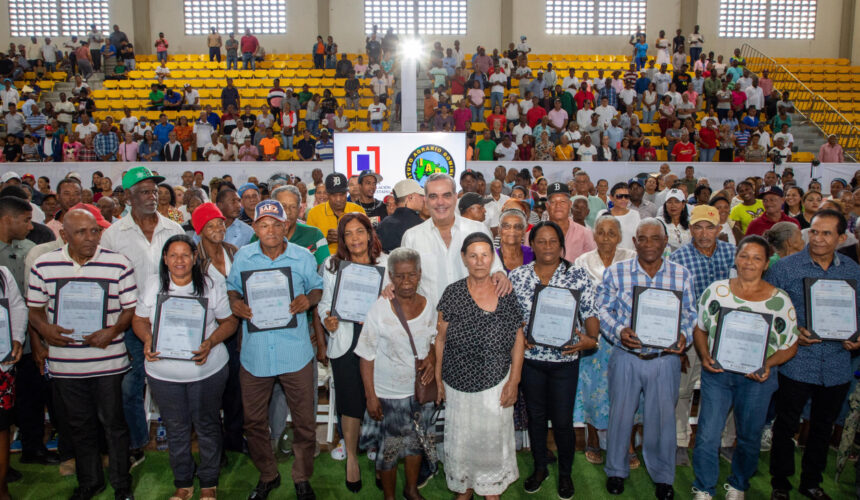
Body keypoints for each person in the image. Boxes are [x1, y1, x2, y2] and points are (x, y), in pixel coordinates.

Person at [28, 208, 137, 500]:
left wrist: (112, 332)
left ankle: (121, 484)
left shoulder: (118, 264)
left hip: (109, 361)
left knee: (114, 425)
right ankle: (90, 481)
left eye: (94, 231)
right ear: (64, 235)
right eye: (81, 233)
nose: (90, 238)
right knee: (79, 426)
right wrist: (45, 330)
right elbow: (35, 310)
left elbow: (130, 309)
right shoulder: (44, 264)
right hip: (66, 364)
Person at [226, 200, 323, 500]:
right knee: (254, 421)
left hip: (294, 350)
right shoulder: (243, 256)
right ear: (255, 227)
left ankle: (302, 476)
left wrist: (309, 300)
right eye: (263, 224)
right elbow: (232, 288)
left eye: (276, 224)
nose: (270, 230)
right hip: (256, 354)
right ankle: (268, 474)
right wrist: (234, 302)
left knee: (305, 421)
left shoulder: (301, 257)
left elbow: (317, 288)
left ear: (286, 227)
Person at [691, 235, 799, 499]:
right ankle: (704, 487)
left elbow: (791, 344)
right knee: (707, 435)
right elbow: (700, 329)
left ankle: (738, 483)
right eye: (744, 256)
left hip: (757, 379)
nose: (749, 262)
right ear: (736, 258)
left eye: (756, 258)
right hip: (717, 374)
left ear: (765, 264)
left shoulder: (780, 301)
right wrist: (704, 355)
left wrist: (768, 364)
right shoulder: (717, 291)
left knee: (749, 437)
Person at [133, 235, 238, 500]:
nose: (179, 260)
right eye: (173, 255)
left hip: (207, 370)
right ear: (165, 259)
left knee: (207, 425)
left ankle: (208, 483)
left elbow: (229, 322)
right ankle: (182, 482)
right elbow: (139, 320)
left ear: (194, 258)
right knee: (176, 428)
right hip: (163, 373)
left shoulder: (211, 283)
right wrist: (148, 339)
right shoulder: (154, 283)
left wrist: (210, 342)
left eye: (185, 255)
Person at [598, 218, 697, 499]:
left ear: (665, 242)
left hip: (665, 359)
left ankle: (663, 475)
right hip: (626, 355)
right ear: (635, 242)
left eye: (655, 238)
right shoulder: (617, 273)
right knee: (620, 416)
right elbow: (603, 309)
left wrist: (683, 336)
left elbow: (691, 313)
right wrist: (619, 330)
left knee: (662, 419)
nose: (649, 244)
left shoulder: (681, 275)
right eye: (643, 238)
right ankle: (616, 471)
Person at [765, 209, 860, 499]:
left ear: (842, 237)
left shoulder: (853, 271)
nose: (817, 239)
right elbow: (769, 313)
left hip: (837, 363)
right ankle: (780, 484)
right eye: (814, 231)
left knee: (822, 427)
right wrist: (793, 333)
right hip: (797, 361)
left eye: (826, 233)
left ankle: (811, 483)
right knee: (786, 425)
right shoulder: (784, 268)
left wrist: (857, 337)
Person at [100, 166, 185, 468]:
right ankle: (137, 443)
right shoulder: (112, 235)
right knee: (130, 387)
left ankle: (178, 440)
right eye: (145, 191)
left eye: (154, 191)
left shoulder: (174, 229)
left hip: (173, 321)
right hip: (131, 323)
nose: (153, 196)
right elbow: (107, 282)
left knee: (176, 384)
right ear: (128, 197)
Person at [510, 221, 600, 499]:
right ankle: (539, 468)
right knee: (536, 418)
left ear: (561, 246)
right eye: (541, 241)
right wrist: (520, 335)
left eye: (553, 241)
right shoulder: (518, 276)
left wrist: (591, 339)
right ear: (532, 245)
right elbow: (511, 317)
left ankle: (565, 474)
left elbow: (591, 312)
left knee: (562, 421)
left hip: (564, 361)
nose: (547, 247)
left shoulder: (578, 276)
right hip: (531, 360)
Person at [435, 232, 524, 500]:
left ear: (492, 258)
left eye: (485, 254)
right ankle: (465, 485)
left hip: (496, 381)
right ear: (464, 258)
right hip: (457, 382)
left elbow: (518, 339)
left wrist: (514, 381)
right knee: (462, 439)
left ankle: (491, 488)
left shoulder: (504, 292)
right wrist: (438, 380)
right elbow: (440, 338)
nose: (479, 261)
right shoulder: (452, 293)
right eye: (472, 255)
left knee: (491, 439)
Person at [355, 247, 436, 500]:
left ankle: (411, 489)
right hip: (388, 394)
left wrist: (432, 356)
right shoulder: (380, 309)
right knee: (389, 451)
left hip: (419, 391)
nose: (406, 282)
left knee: (415, 445)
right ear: (390, 276)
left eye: (411, 275)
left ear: (420, 274)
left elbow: (434, 340)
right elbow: (366, 356)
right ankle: (389, 497)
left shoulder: (428, 304)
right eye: (399, 276)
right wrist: (371, 396)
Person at [318, 213, 387, 492]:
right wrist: (327, 320)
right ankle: (351, 459)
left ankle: (383, 457)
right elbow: (325, 302)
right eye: (349, 233)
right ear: (342, 239)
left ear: (370, 234)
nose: (355, 238)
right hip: (345, 337)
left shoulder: (386, 262)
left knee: (382, 396)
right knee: (350, 400)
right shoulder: (332, 265)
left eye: (360, 231)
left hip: (379, 340)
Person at [668, 205, 737, 468]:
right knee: (683, 390)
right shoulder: (679, 258)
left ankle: (726, 441)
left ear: (719, 229)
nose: (704, 233)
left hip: (728, 335)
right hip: (691, 333)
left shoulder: (734, 254)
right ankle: (680, 441)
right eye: (698, 227)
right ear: (690, 229)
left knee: (728, 388)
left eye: (710, 227)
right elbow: (676, 302)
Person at [574, 215, 637, 465]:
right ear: (594, 235)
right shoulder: (582, 261)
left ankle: (628, 442)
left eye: (612, 233)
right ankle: (593, 440)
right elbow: (577, 297)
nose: (606, 238)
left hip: (625, 336)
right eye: (601, 232)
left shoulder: (632, 259)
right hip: (594, 337)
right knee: (592, 390)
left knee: (626, 391)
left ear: (620, 236)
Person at [401, 173, 509, 304]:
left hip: (472, 319)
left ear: (455, 198)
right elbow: (404, 279)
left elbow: (495, 268)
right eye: (433, 196)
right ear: (426, 201)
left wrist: (500, 275)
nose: (440, 202)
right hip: (431, 320)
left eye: (446, 195)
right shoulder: (412, 236)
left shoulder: (478, 229)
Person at [306, 173, 366, 254]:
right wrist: (325, 241)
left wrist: (345, 237)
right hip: (324, 263)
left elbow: (367, 240)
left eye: (342, 195)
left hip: (353, 261)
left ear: (346, 193)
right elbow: (308, 247)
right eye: (334, 195)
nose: (338, 199)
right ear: (327, 194)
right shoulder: (314, 213)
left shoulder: (358, 210)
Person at [377, 180, 425, 254]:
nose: (423, 199)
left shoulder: (383, 223)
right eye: (421, 195)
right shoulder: (420, 225)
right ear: (410, 197)